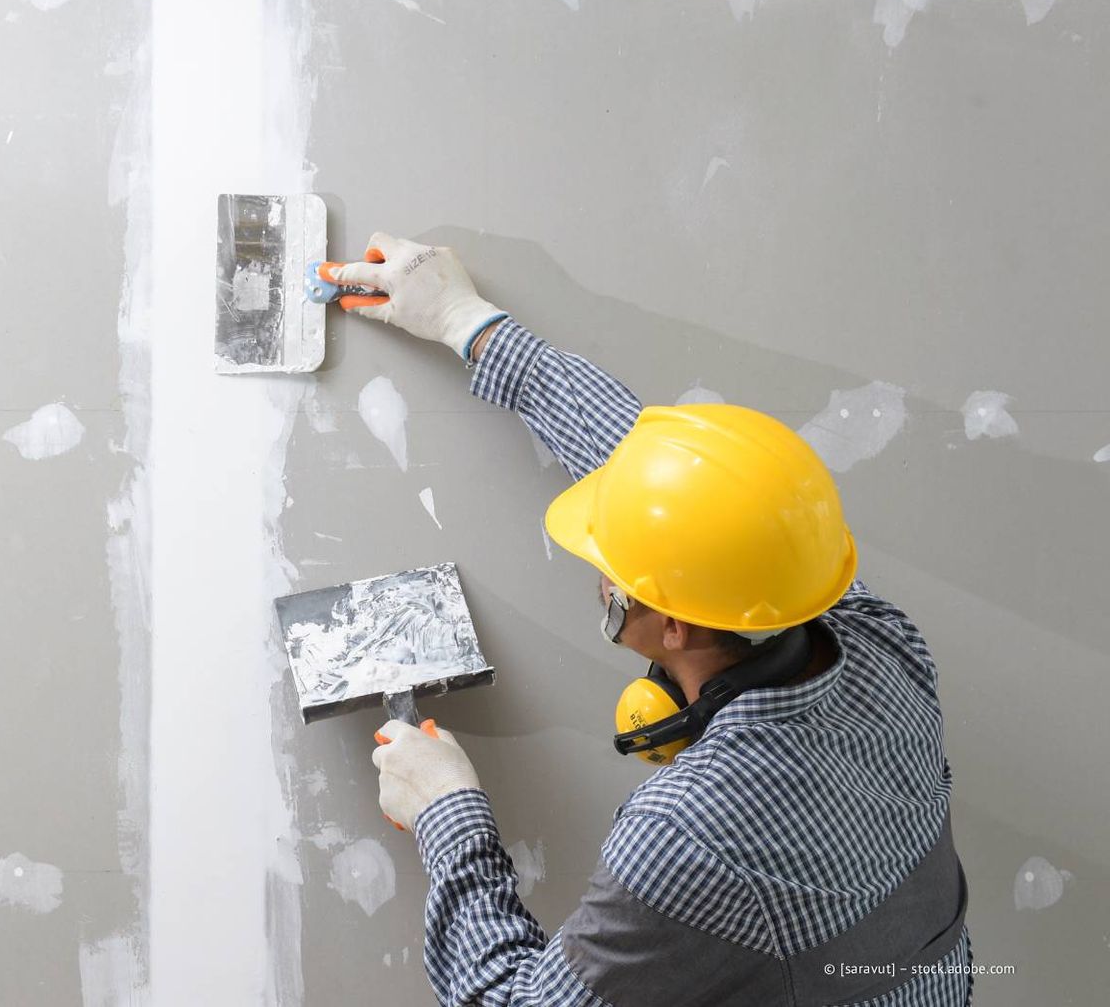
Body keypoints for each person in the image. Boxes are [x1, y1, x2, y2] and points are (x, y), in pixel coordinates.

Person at [327, 233, 973, 1007]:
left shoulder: (691, 830)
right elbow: (678, 486)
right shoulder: (876, 637)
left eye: (613, 562)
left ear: (672, 626)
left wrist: (448, 815)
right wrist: (468, 320)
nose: (598, 566)